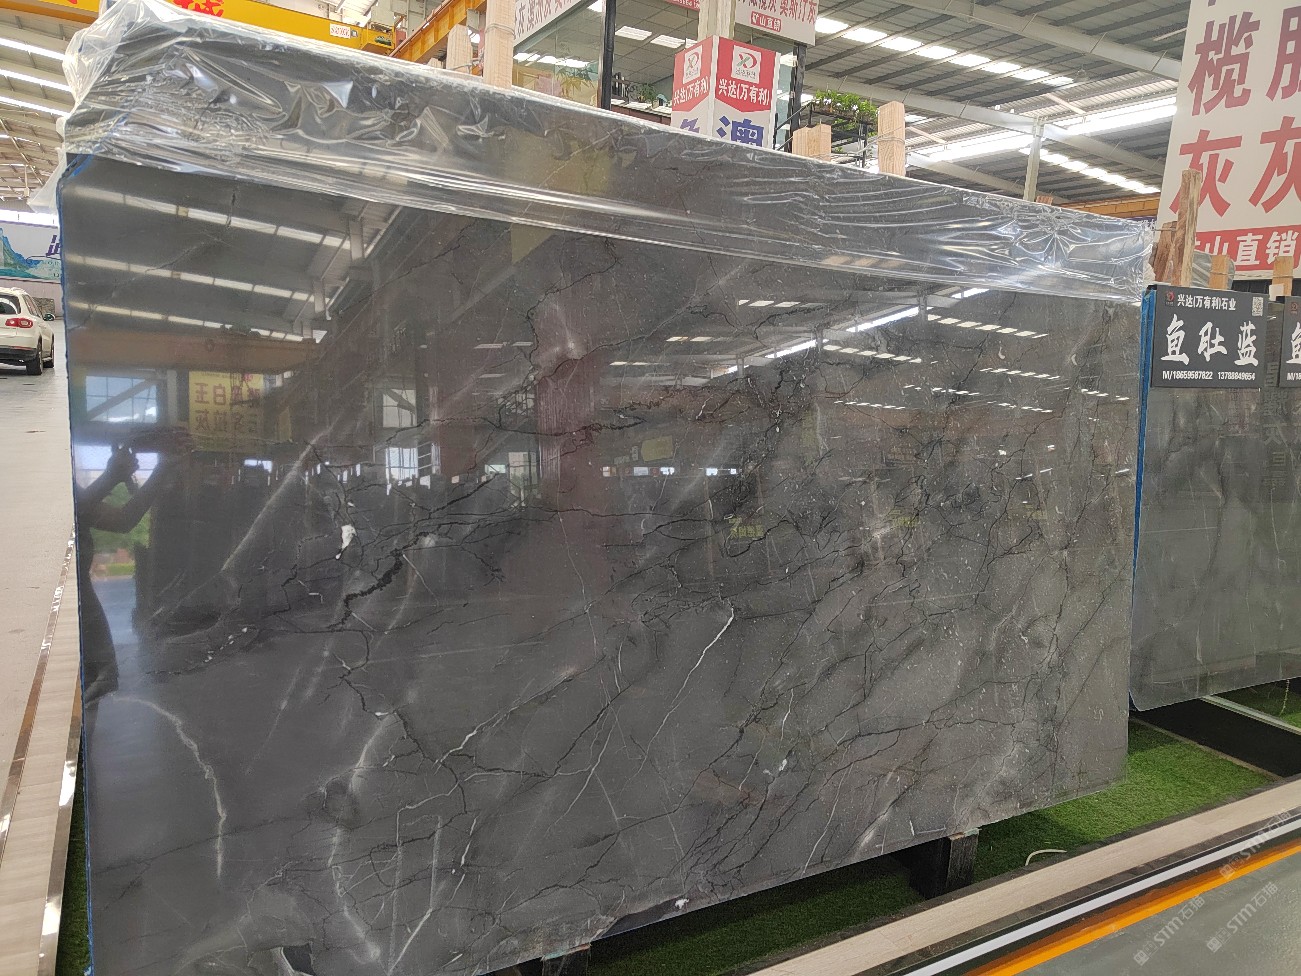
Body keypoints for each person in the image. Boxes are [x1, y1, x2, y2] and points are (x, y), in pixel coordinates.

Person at [77, 431, 188, 702]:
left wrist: (162, 468)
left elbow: (121, 520)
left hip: (83, 608)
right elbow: (66, 517)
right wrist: (110, 477)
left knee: (91, 693)